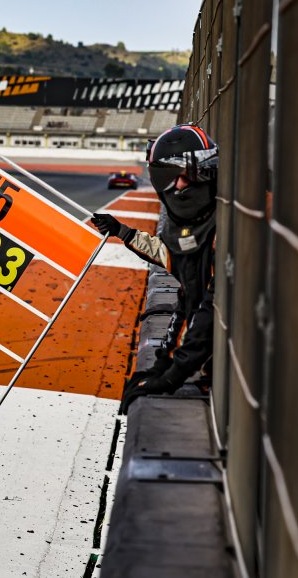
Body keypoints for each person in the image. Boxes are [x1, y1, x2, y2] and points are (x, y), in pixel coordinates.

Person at [91, 124, 219, 413]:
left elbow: (210, 311)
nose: (179, 186)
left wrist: (172, 375)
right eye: (167, 178)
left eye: (188, 174)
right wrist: (163, 365)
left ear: (208, 171)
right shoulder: (189, 233)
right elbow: (189, 299)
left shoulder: (230, 228)